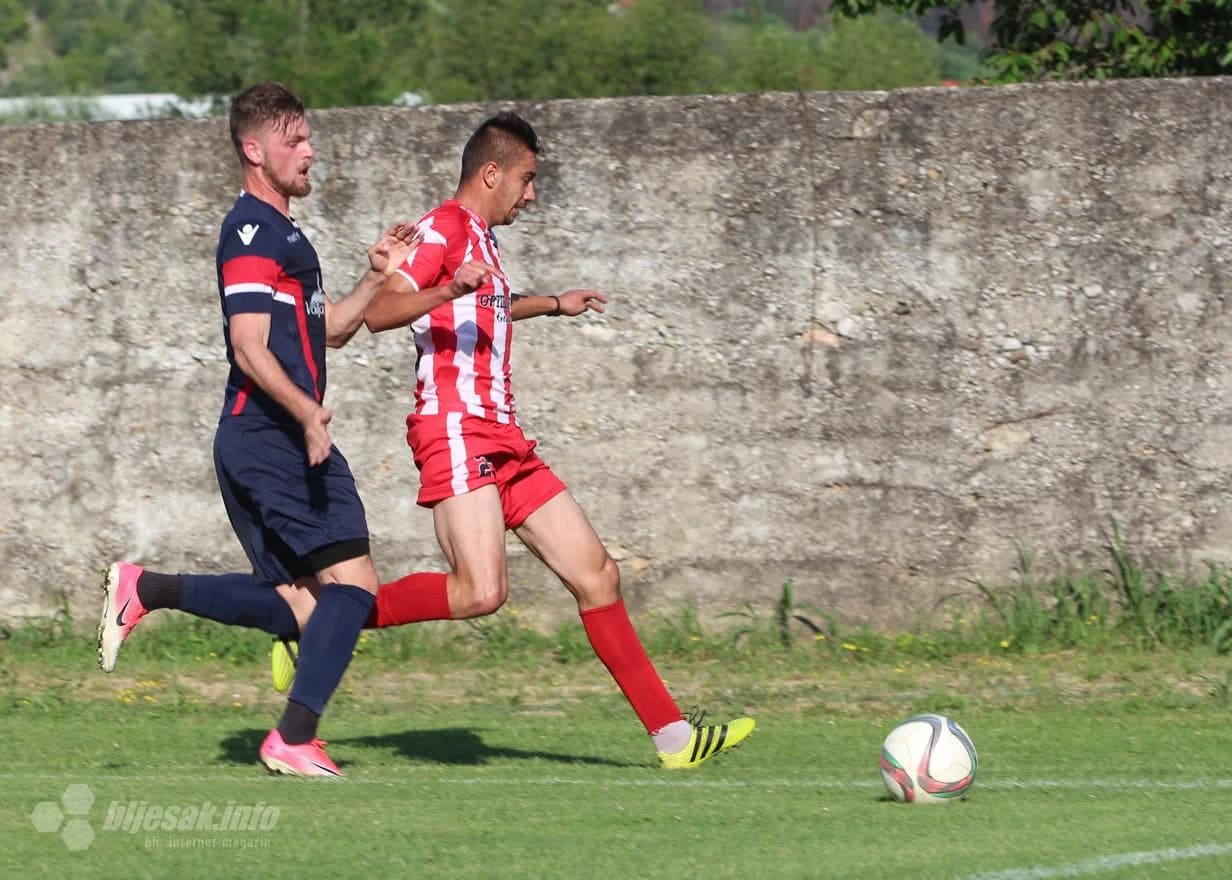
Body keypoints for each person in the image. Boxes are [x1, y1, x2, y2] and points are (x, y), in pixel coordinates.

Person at [321, 111, 753, 769]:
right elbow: (379, 313)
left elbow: (484, 303)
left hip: (503, 436)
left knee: (597, 574)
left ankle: (675, 739)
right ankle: (317, 620)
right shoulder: (439, 231)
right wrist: (444, 284)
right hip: (456, 427)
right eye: (526, 179)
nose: (532, 193)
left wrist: (554, 303)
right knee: (479, 592)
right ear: (490, 173)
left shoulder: (482, 239)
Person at [97, 81, 498, 778]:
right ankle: (292, 737)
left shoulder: (287, 233)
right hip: (271, 436)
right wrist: (308, 414)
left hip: (274, 437)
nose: (310, 151)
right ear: (255, 150)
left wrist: (380, 279)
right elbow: (248, 345)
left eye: (308, 137)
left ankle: (148, 588)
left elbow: (332, 332)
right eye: (294, 141)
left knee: (306, 604)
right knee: (355, 589)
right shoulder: (250, 231)